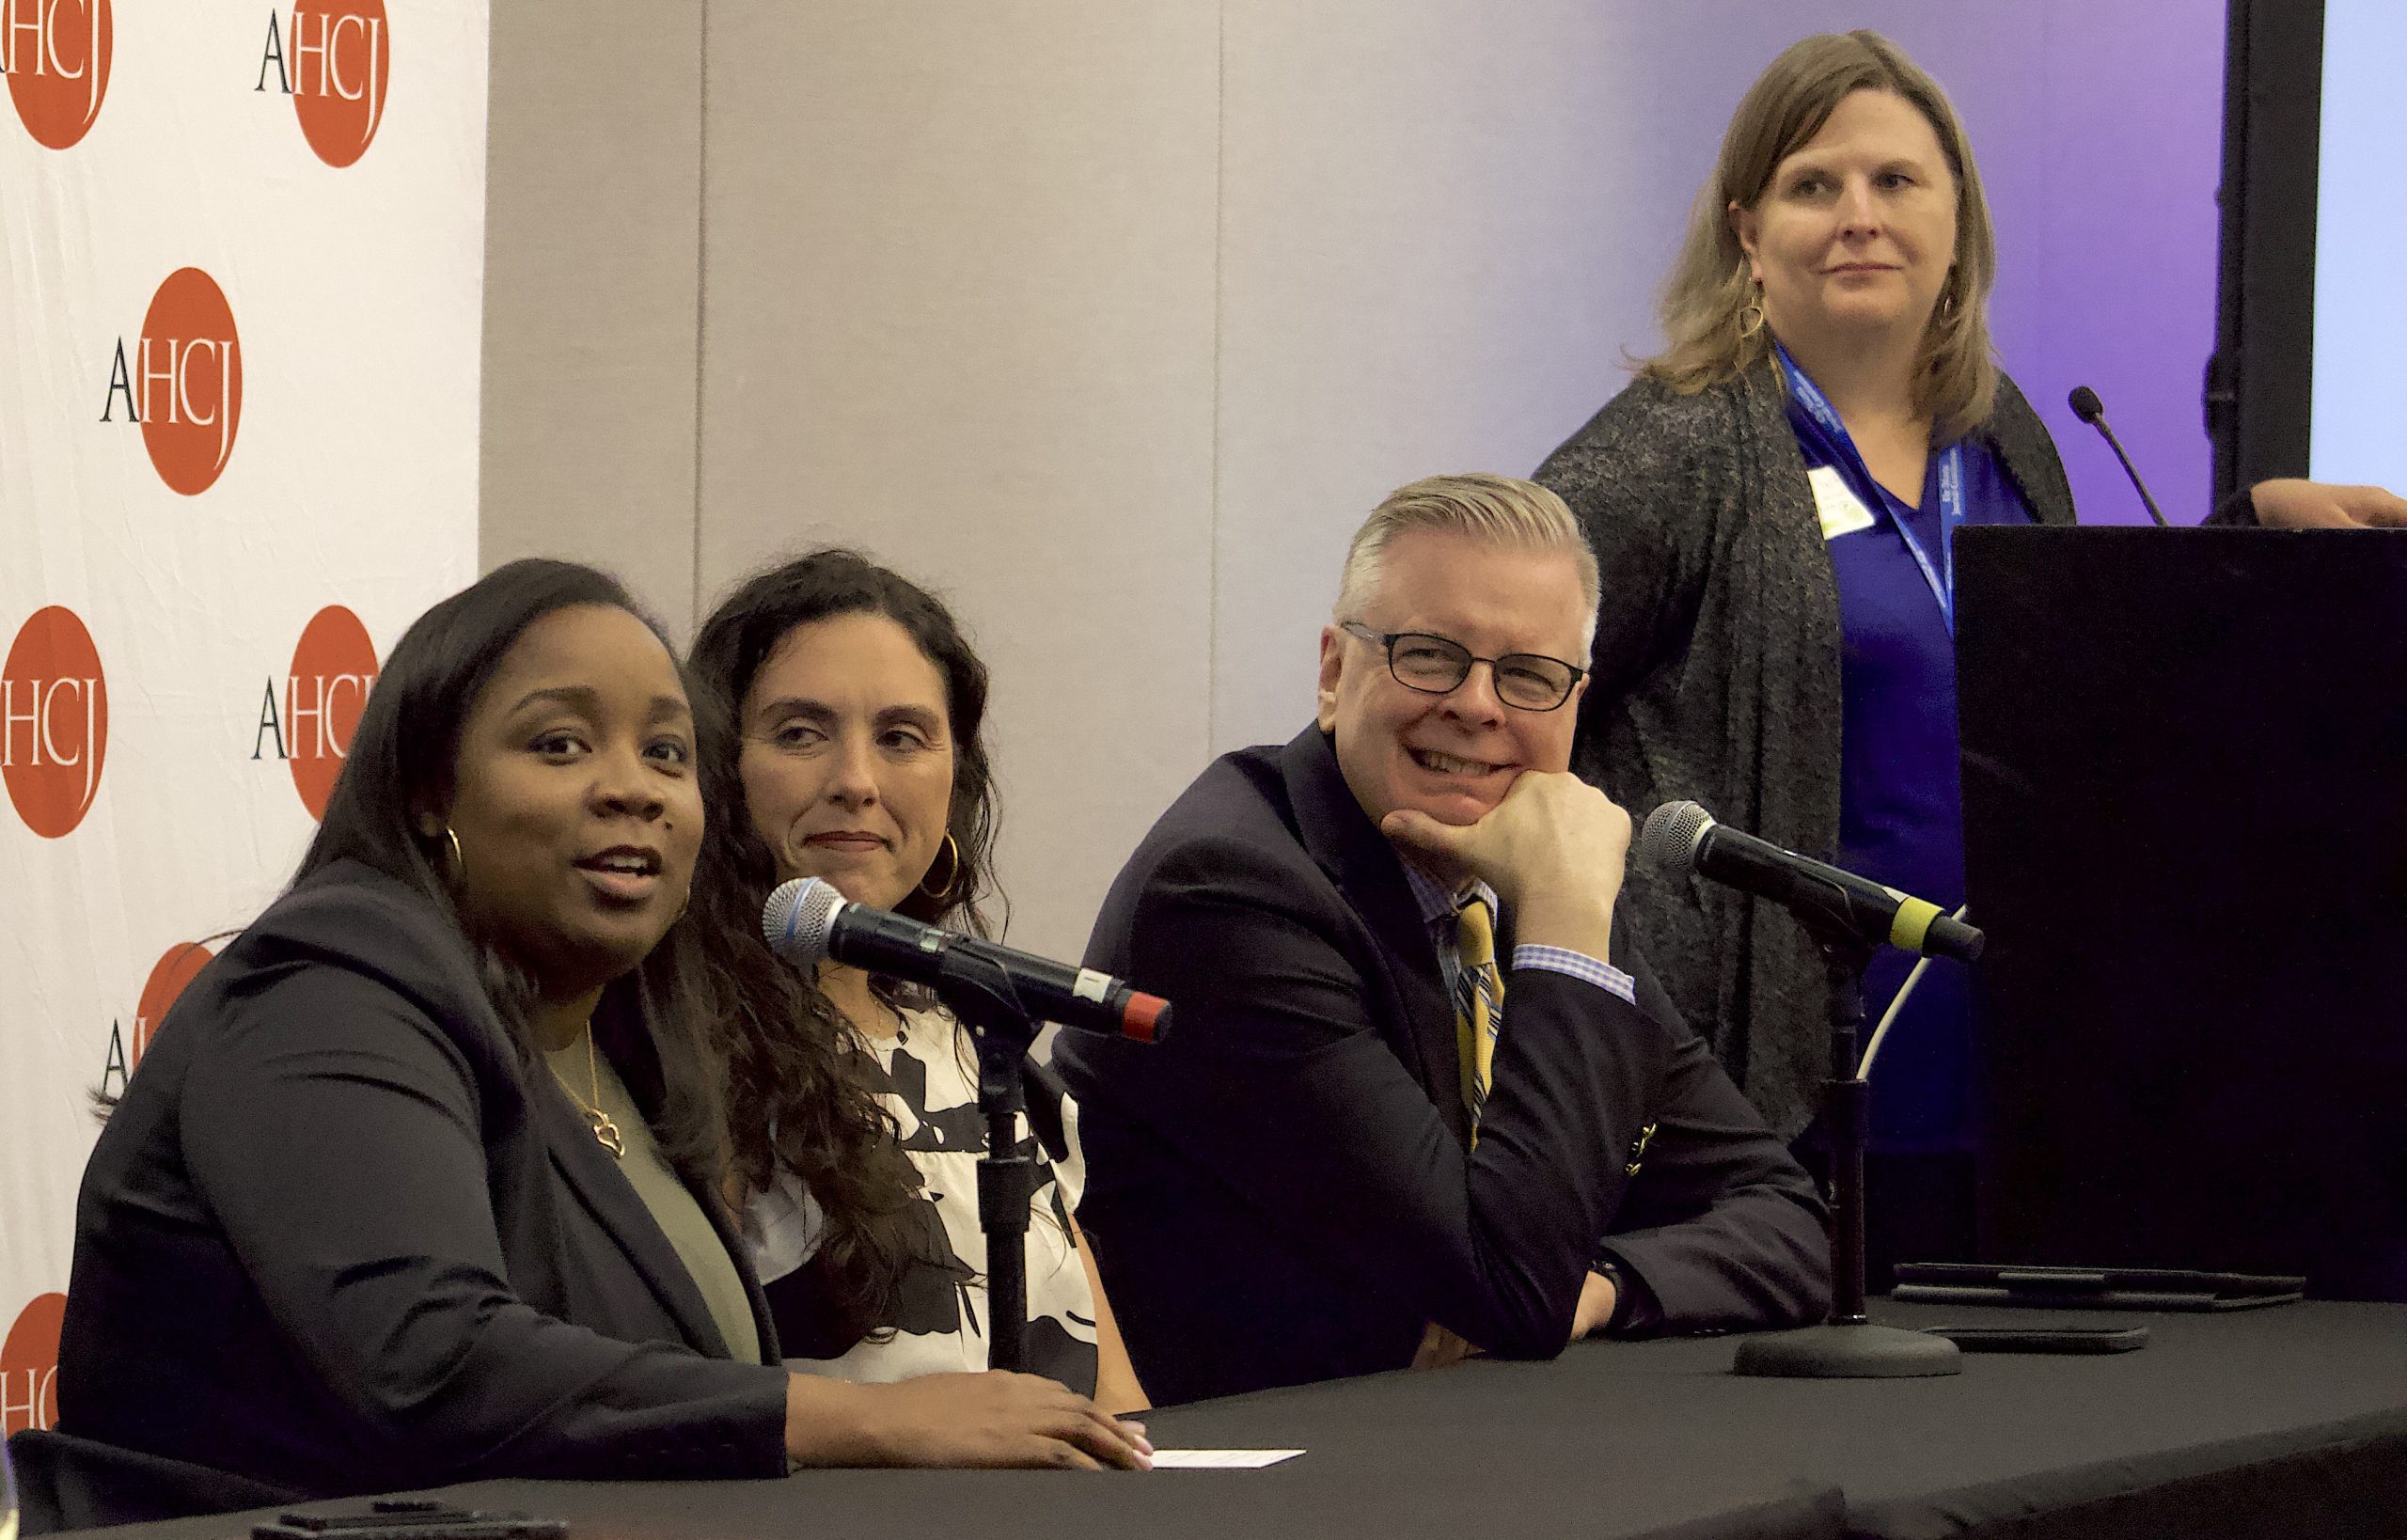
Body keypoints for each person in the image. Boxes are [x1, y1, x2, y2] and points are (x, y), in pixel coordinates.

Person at [1531, 31, 2407, 1268]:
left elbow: (2085, 686)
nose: (1859, 217)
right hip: (1773, 1106)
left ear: (1956, 226)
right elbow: (1502, 648)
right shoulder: (1678, 451)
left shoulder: (2005, 442)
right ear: (1746, 229)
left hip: (2012, 1087)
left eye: (1897, 182)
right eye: (1813, 184)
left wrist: (2248, 527)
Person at [48, 560, 1147, 1519]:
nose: (632, 787)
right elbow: (429, 1363)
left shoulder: (609, 1039)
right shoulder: (334, 983)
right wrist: (874, 1421)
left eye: (666, 753)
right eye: (561, 744)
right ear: (435, 786)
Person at [1055, 475, 1829, 1406]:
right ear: (1334, 672)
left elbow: (1785, 1221)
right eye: (1429, 655)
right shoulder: (1228, 894)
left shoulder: (1531, 878)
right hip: (1251, 1468)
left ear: (1575, 703)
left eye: (1529, 676)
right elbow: (1504, 1288)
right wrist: (1567, 936)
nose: (1476, 705)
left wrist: (1597, 1288)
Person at [687, 551, 1147, 1414]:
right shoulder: (681, 1035)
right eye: (799, 733)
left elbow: (1117, 1398)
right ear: (717, 765)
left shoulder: (971, 1028)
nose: (856, 781)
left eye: (901, 738)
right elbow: (669, 1390)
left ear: (954, 781)